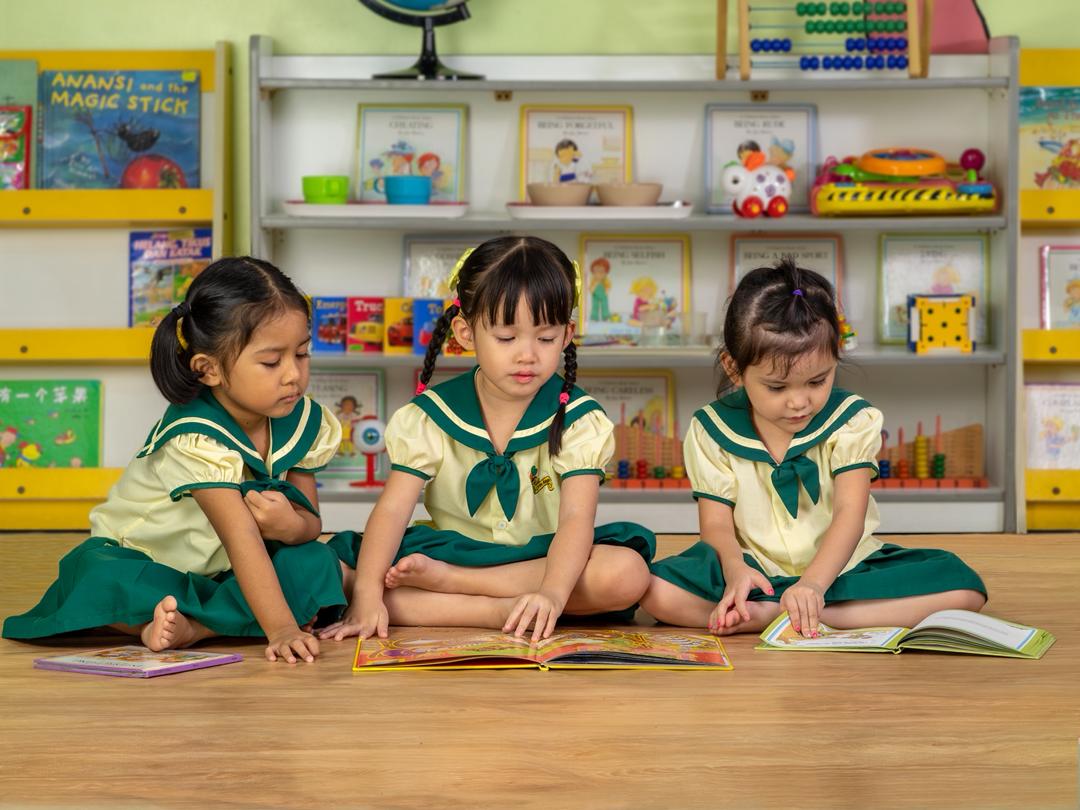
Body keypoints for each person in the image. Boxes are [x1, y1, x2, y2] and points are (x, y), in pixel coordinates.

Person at [3, 257, 346, 664]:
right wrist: (282, 629)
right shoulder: (195, 437)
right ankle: (156, 623)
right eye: (272, 362)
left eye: (302, 354)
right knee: (97, 574)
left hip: (227, 570)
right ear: (209, 369)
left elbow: (311, 523)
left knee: (315, 558)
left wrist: (293, 527)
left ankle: (198, 627)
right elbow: (241, 538)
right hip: (153, 562)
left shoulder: (303, 421)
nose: (293, 375)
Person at [319, 236, 655, 644]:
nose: (527, 355)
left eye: (545, 338)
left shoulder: (580, 421)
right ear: (465, 332)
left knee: (625, 573)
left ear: (567, 334)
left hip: (541, 559)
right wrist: (368, 595)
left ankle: (452, 587)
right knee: (342, 574)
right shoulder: (431, 416)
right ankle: (496, 610)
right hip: (451, 549)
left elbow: (575, 521)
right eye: (506, 338)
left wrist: (552, 593)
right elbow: (392, 512)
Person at [641, 257, 986, 638]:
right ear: (734, 368)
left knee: (964, 589)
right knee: (654, 591)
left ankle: (782, 613)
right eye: (777, 387)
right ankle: (795, 610)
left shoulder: (851, 420)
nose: (799, 402)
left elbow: (850, 515)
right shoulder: (710, 429)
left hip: (841, 569)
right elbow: (716, 526)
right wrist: (736, 571)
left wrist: (813, 585)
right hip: (755, 571)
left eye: (817, 381)